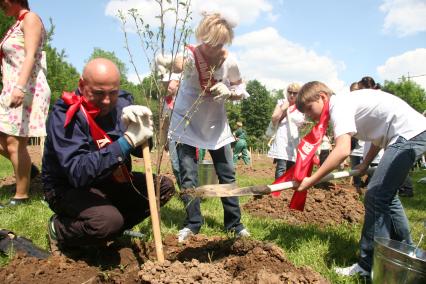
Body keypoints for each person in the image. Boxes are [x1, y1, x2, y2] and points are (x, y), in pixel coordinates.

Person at [42, 58, 175, 255]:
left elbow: (139, 149)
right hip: (68, 187)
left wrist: (143, 129)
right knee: (106, 222)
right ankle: (60, 229)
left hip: (110, 178)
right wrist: (126, 141)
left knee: (162, 188)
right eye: (98, 93)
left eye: (112, 93)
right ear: (82, 85)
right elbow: (78, 172)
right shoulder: (66, 115)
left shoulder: (122, 103)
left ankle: (108, 230)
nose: (106, 100)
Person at [295, 81, 426, 277]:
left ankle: (367, 265)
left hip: (408, 134)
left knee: (375, 196)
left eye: (309, 109)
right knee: (385, 196)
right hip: (411, 133)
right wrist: (365, 164)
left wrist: (312, 180)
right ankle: (405, 252)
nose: (309, 116)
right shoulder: (348, 103)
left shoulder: (338, 105)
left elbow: (342, 150)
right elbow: (378, 137)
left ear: (322, 97)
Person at [164, 12, 250, 242]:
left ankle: (235, 223)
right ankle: (193, 223)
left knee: (226, 172)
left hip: (215, 124)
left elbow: (240, 89)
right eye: (209, 43)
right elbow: (176, 67)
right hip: (187, 121)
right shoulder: (190, 56)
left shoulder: (230, 62)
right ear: (203, 37)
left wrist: (230, 92)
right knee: (188, 174)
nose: (213, 49)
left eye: (219, 44)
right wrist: (170, 67)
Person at [0, 0, 50, 207]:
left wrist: (20, 87)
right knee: (5, 140)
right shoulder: (16, 24)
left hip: (26, 88)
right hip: (12, 88)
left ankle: (21, 196)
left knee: (14, 142)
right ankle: (28, 170)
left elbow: (30, 54)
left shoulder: (30, 19)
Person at [267, 83, 305, 179]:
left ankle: (288, 188)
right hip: (282, 137)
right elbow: (274, 118)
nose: (292, 95)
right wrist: (283, 108)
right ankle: (277, 189)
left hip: (294, 139)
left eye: (295, 93)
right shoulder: (281, 102)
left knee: (292, 164)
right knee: (281, 165)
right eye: (290, 92)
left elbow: (301, 123)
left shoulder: (300, 107)